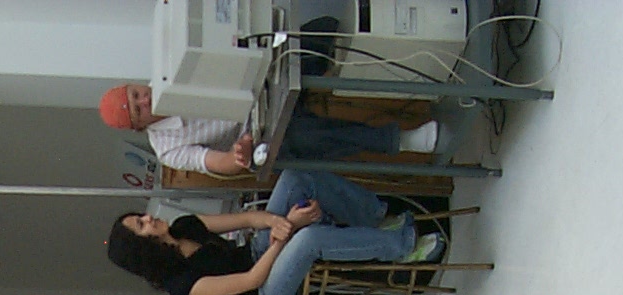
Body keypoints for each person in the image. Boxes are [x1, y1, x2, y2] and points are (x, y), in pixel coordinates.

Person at [106, 169, 443, 295]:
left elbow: (248, 219)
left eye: (141, 217)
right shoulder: (179, 284)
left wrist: (275, 222)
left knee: (295, 178)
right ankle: (402, 248)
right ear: (143, 248)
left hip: (256, 254)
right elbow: (252, 281)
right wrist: (287, 232)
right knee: (309, 239)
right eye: (141, 225)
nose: (148, 218)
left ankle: (374, 219)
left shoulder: (184, 226)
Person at [98, 83, 440, 176]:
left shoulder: (169, 74)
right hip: (260, 133)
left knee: (318, 34)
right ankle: (399, 140)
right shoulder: (166, 149)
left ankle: (425, 81)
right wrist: (238, 154)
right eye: (138, 108)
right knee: (304, 136)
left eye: (137, 93)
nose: (145, 99)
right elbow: (218, 164)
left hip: (261, 83)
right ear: (138, 126)